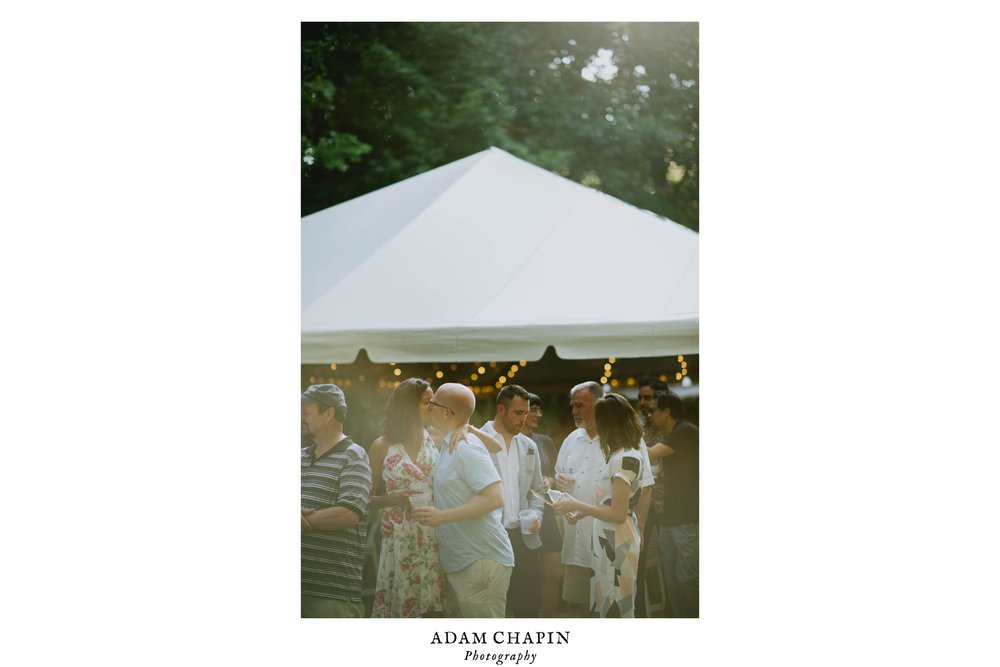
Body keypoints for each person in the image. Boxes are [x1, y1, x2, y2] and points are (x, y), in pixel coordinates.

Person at [371, 379, 505, 617]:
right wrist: (390, 503)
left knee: (438, 610)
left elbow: (495, 447)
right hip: (399, 536)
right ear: (409, 406)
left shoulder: (436, 438)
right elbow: (365, 499)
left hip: (436, 533)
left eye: (434, 401)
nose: (432, 406)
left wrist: (468, 427)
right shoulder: (382, 446)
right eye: (427, 402)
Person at [552, 381, 655, 617]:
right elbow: (611, 503)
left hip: (616, 542)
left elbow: (619, 513)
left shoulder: (626, 457)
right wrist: (583, 511)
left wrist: (577, 504)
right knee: (603, 605)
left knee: (615, 607)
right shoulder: (620, 455)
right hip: (606, 540)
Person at [412, 383, 514, 617]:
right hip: (466, 560)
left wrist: (441, 517)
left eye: (433, 403)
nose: (429, 407)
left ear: (446, 412)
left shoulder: (465, 447)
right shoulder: (451, 443)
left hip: (480, 559)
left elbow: (495, 497)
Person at [300, 384, 372, 618]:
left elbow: (348, 513)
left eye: (306, 412)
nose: (300, 418)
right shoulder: (298, 456)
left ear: (329, 413)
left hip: (332, 595)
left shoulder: (354, 456)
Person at [480, 384, 545, 617]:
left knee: (527, 608)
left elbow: (536, 491)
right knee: (492, 610)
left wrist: (537, 513)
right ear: (501, 410)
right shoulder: (477, 441)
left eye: (526, 413)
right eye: (519, 413)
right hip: (489, 538)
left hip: (524, 538)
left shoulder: (529, 446)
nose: (524, 419)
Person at [648, 389, 699, 617]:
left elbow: (647, 455)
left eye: (652, 411)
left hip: (688, 519)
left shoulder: (685, 431)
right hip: (670, 519)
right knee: (673, 584)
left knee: (688, 579)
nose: (650, 416)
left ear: (666, 412)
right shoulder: (674, 435)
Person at [521, 392, 563, 618]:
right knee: (528, 574)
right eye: (532, 409)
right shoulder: (511, 440)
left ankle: (549, 618)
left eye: (539, 410)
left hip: (545, 509)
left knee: (554, 572)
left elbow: (557, 474)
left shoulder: (544, 442)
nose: (537, 414)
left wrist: (551, 480)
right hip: (521, 512)